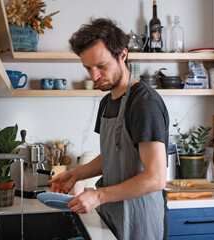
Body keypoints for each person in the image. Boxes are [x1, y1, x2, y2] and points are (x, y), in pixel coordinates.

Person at [48, 18, 169, 240]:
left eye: (101, 66)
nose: (94, 76)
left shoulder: (143, 102)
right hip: (114, 215)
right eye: (88, 68)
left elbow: (156, 178)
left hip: (142, 220)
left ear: (122, 55)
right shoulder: (107, 102)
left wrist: (98, 196)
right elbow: (114, 157)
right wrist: (75, 174)